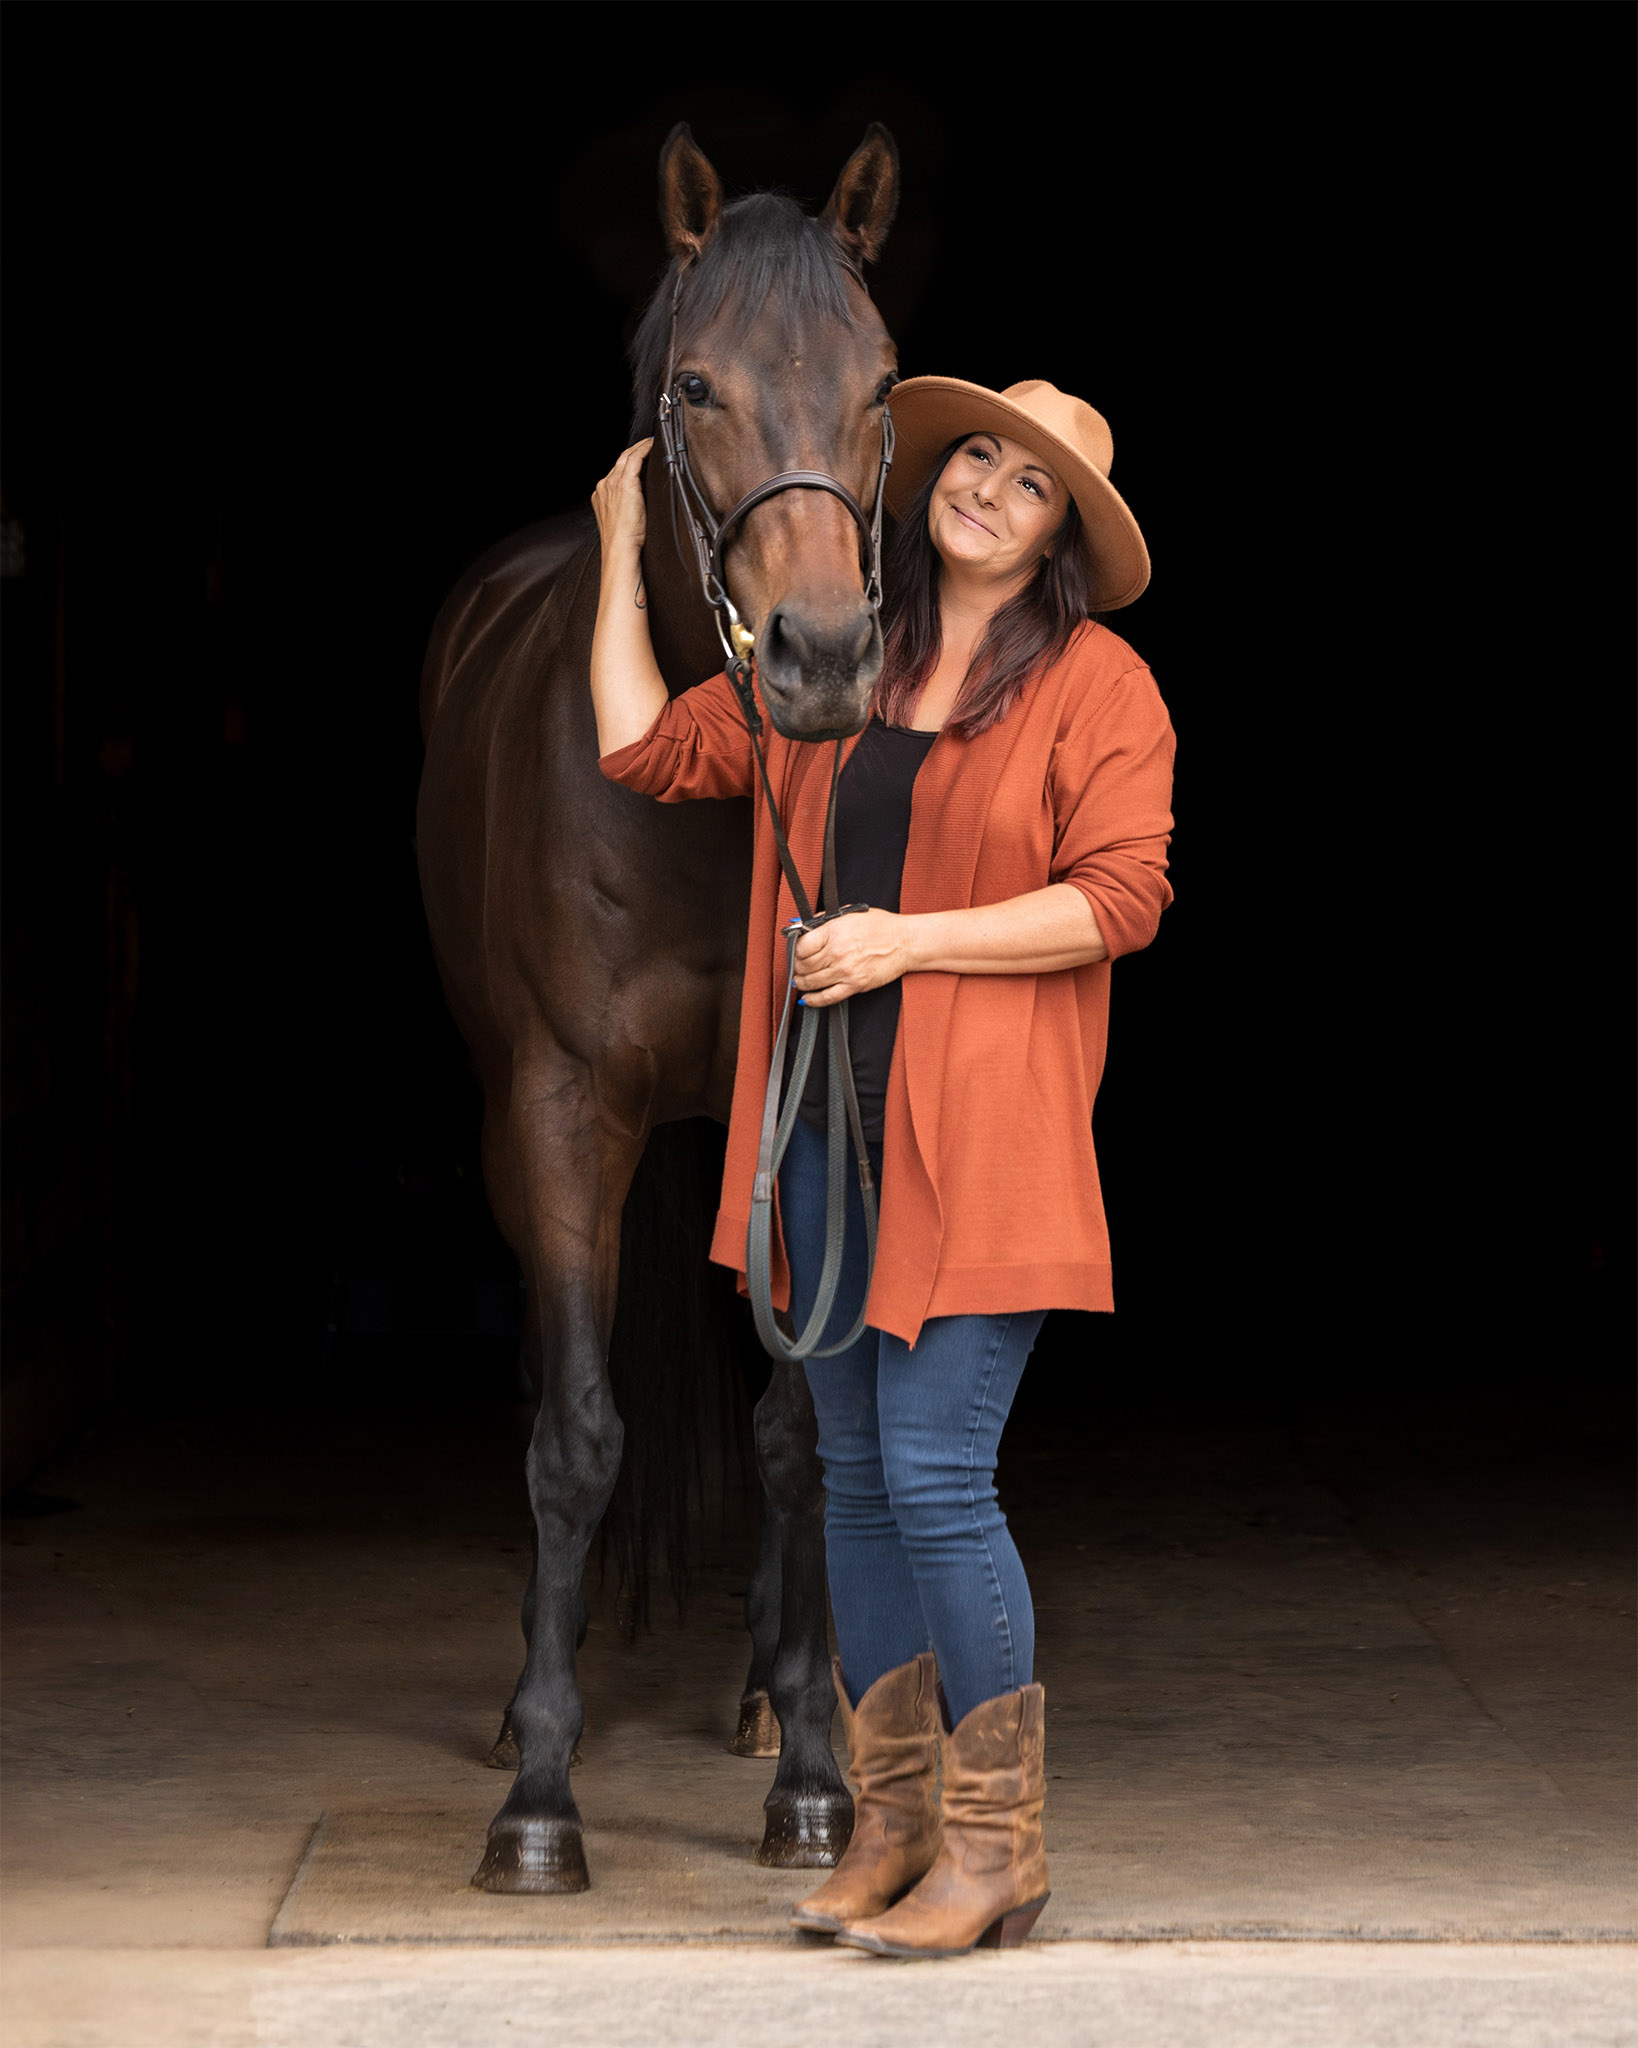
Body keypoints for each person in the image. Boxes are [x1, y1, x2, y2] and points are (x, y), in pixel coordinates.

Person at [589, 378, 1175, 1958]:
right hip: (818, 1142)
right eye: (976, 452)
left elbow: (1119, 898)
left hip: (980, 1150)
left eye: (1031, 482)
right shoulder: (842, 652)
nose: (988, 484)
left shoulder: (1098, 685)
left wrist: (912, 944)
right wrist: (616, 543)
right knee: (851, 1483)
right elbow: (643, 748)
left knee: (931, 1477)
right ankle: (893, 1824)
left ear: (1059, 535)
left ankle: (999, 1851)